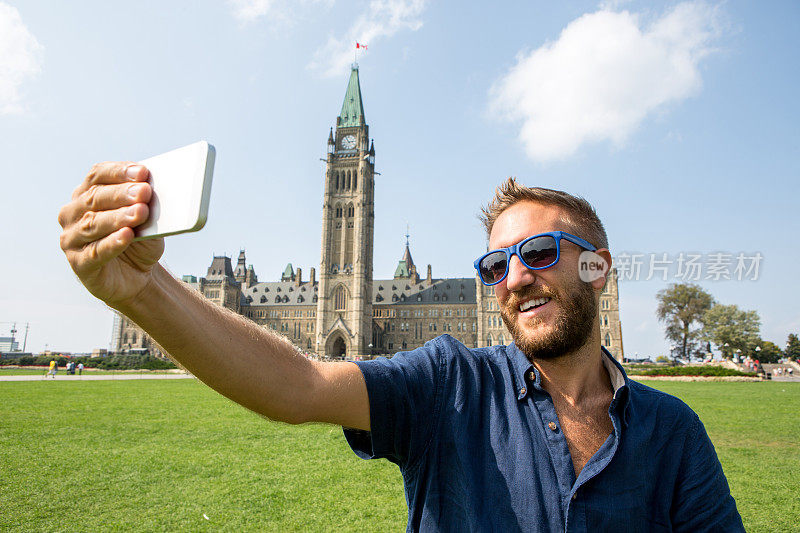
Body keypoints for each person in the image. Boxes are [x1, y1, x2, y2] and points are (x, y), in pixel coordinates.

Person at [58, 165, 743, 531]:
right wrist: (141, 291)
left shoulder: (673, 433)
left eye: (539, 251)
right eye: (494, 266)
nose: (515, 277)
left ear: (599, 269)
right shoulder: (451, 384)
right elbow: (299, 384)